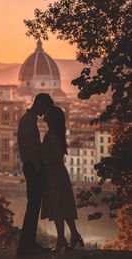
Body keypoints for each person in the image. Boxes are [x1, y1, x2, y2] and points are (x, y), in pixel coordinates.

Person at [41, 106, 84, 252]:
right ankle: (74, 235)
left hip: (54, 175)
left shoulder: (52, 135)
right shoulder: (55, 134)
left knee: (57, 208)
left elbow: (55, 157)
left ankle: (61, 239)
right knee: (64, 206)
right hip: (58, 174)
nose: (44, 116)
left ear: (51, 119)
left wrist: (41, 158)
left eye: (47, 114)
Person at [16, 93, 54, 257]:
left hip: (31, 166)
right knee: (33, 207)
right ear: (39, 104)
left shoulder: (28, 119)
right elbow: (32, 149)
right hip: (33, 167)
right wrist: (40, 168)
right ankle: (26, 245)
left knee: (33, 206)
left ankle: (28, 243)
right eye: (45, 108)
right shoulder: (29, 121)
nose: (45, 113)